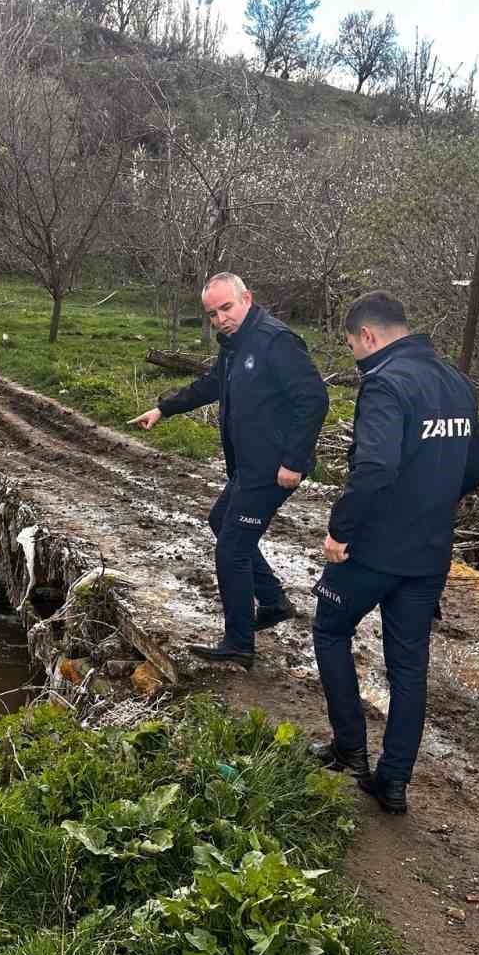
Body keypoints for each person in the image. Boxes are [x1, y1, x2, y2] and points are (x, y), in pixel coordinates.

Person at [314, 291, 479, 814]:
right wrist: (433, 499)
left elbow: (373, 470)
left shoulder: (385, 384)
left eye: (352, 346)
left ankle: (349, 749)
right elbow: (478, 464)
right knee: (408, 668)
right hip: (429, 552)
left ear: (368, 336)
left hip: (373, 550)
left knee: (329, 629)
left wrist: (338, 533)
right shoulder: (456, 381)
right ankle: (393, 783)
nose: (354, 357)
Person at [130, 272, 329, 669]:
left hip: (273, 468)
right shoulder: (235, 345)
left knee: (232, 549)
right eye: (212, 313)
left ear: (247, 299)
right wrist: (163, 408)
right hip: (251, 464)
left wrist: (293, 461)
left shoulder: (276, 341)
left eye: (226, 308)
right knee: (221, 520)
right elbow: (211, 384)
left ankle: (239, 643)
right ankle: (272, 601)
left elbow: (314, 399)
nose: (220, 318)